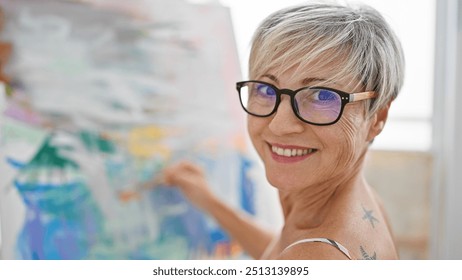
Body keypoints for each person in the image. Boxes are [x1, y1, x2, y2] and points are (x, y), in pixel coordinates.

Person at [162, 1, 404, 260]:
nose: (280, 125)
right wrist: (210, 202)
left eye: (322, 96)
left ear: (377, 117)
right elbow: (283, 251)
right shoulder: (360, 207)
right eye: (267, 89)